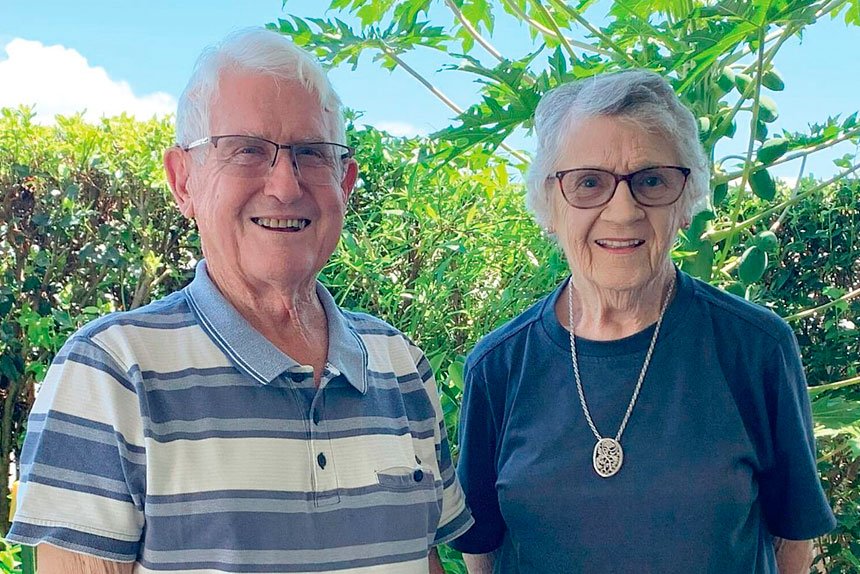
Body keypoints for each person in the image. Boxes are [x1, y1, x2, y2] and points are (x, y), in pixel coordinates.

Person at [7, 28, 472, 574]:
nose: (285, 185)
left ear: (344, 181)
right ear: (183, 180)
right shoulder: (110, 374)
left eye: (311, 154)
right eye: (247, 150)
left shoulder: (401, 364)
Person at [447, 70, 835, 573]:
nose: (623, 210)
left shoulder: (756, 348)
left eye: (652, 180)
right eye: (588, 183)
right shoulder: (497, 367)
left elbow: (792, 541)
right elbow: (483, 551)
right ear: (548, 205)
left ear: (687, 201)